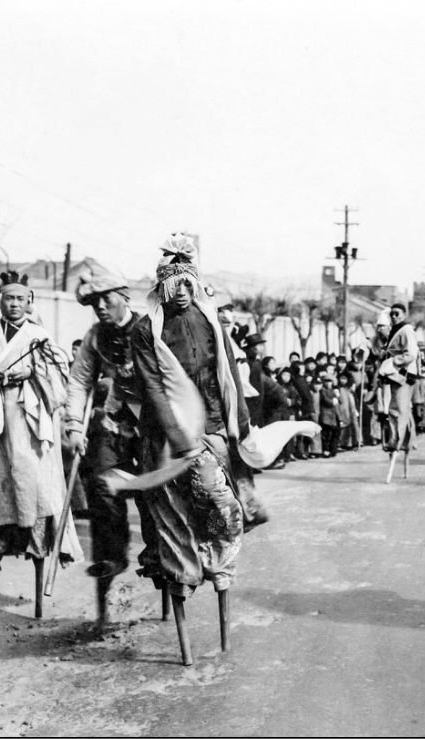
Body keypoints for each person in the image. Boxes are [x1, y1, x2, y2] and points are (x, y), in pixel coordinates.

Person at [129, 235, 249, 605]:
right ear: (161, 287)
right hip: (165, 435)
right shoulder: (145, 330)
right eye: (174, 284)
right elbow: (153, 386)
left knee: (219, 501)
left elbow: (228, 372)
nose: (181, 291)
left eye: (187, 283)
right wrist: (178, 435)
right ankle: (181, 572)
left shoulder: (210, 321)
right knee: (170, 513)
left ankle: (218, 562)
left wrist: (241, 422)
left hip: (211, 425)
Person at [0, 271, 82, 572]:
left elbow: (60, 376)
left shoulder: (40, 336)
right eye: (9, 298)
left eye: (20, 299)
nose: (14, 304)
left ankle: (37, 542)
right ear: (0, 300)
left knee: (33, 481)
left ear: (29, 302)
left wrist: (32, 373)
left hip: (29, 420)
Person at [64, 273, 159, 620]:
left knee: (155, 493)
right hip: (113, 426)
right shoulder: (95, 337)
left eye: (107, 299)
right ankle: (110, 557)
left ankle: (158, 556)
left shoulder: (150, 329)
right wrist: (75, 426)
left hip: (151, 426)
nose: (101, 307)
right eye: (95, 302)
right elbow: (79, 382)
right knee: (101, 485)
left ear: (125, 297)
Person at [375, 304, 418, 456]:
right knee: (394, 409)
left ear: (404, 315)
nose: (393, 316)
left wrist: (393, 362)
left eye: (397, 314)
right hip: (393, 375)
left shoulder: (406, 330)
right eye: (391, 314)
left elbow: (411, 354)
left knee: (400, 409)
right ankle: (397, 439)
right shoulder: (394, 330)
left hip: (403, 374)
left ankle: (400, 441)